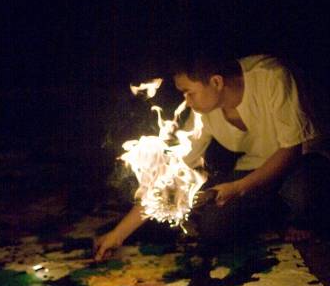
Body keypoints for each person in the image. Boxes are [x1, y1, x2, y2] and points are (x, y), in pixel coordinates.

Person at [94, 53, 328, 261]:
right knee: (212, 226)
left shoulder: (272, 77)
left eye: (189, 92)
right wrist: (118, 234)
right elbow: (170, 174)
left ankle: (297, 213)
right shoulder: (202, 113)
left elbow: (291, 150)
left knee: (302, 194)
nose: (186, 101)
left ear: (216, 82)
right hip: (255, 168)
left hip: (302, 162)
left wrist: (238, 188)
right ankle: (276, 208)